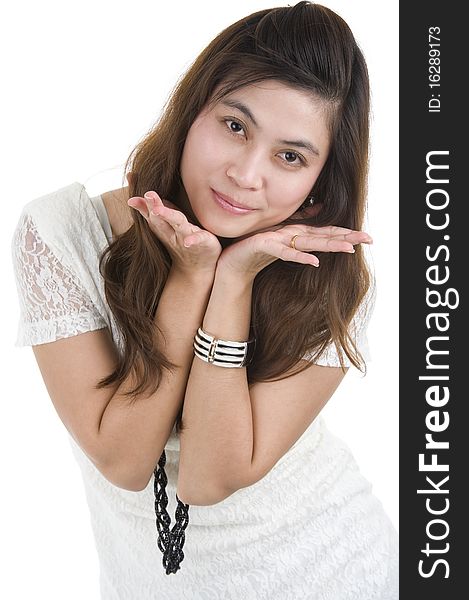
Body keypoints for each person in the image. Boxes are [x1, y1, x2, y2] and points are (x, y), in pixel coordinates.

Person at [11, 1, 398, 598]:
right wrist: (191, 279)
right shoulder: (62, 232)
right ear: (192, 112)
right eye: (235, 126)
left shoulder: (332, 280)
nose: (247, 174)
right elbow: (123, 460)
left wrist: (232, 283)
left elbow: (208, 479)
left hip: (335, 572)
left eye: (290, 156)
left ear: (320, 184)